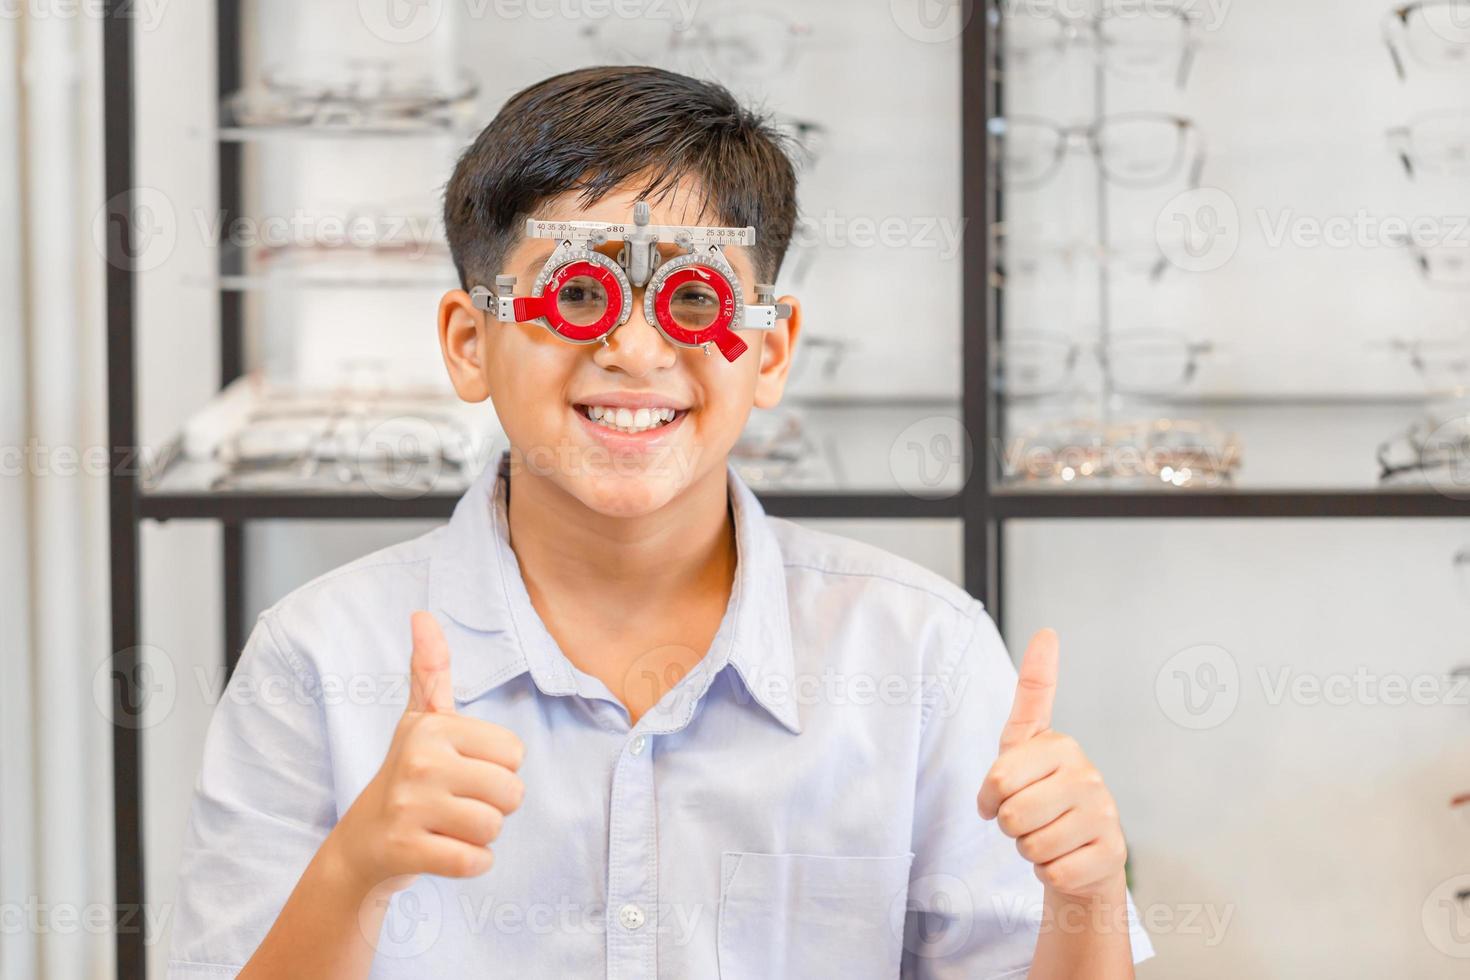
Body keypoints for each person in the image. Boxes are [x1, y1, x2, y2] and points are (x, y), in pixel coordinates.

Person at [168, 65, 1154, 979]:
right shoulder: (317, 659)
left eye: (691, 297)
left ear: (770, 352)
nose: (634, 350)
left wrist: (1086, 898)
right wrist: (355, 868)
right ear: (469, 341)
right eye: (582, 292)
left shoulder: (921, 654)